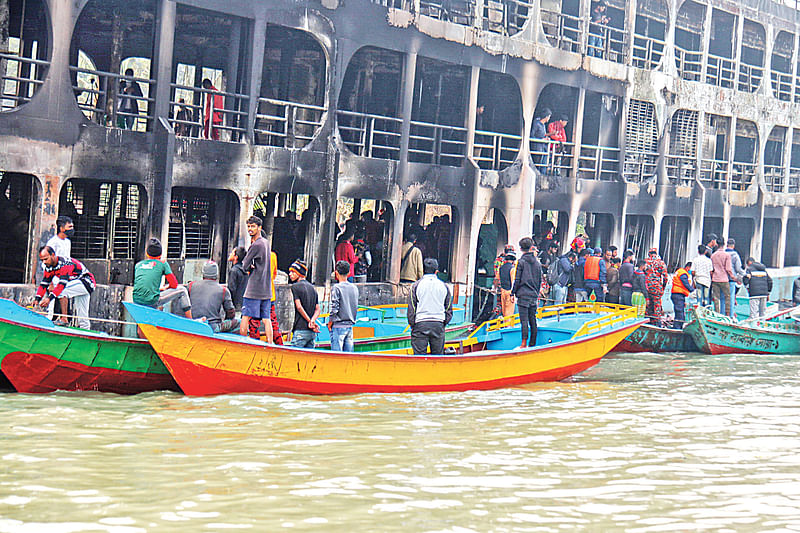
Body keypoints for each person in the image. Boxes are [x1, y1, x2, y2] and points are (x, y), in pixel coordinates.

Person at [36, 246, 95, 329]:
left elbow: (61, 285)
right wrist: (37, 299)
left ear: (53, 255)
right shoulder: (48, 267)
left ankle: (64, 319)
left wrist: (49, 299)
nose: (44, 262)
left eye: (46, 259)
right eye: (42, 260)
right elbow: (44, 284)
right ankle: (86, 332)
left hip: (86, 282)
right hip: (78, 284)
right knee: (83, 316)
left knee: (62, 291)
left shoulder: (65, 264)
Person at [133, 238, 192, 318]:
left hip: (136, 300)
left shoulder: (138, 265)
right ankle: (190, 320)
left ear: (147, 253)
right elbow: (174, 285)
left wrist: (160, 289)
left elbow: (144, 284)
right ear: (160, 254)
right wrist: (167, 287)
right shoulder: (163, 263)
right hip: (151, 301)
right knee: (182, 290)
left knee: (142, 320)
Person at [408, 258, 453, 355]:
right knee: (437, 358)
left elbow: (412, 308)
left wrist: (413, 325)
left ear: (423, 271)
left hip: (420, 323)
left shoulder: (415, 286)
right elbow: (448, 309)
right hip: (438, 324)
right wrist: (443, 323)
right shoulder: (444, 286)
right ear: (436, 272)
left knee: (419, 359)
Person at [239, 216, 273, 342]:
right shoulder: (266, 243)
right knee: (266, 318)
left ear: (259, 228)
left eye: (253, 226)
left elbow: (244, 265)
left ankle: (242, 342)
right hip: (266, 288)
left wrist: (250, 267)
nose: (250, 229)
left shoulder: (256, 245)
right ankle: (270, 343)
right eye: (248, 226)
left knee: (245, 316)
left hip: (254, 288)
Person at [188, 261, 239, 333]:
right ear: (216, 274)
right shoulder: (223, 290)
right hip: (213, 327)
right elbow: (231, 313)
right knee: (239, 322)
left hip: (193, 324)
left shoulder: (191, 285)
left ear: (203, 273)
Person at [511, 237, 542, 349]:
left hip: (523, 295)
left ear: (521, 248)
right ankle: (532, 343)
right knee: (532, 320)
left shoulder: (521, 262)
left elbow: (517, 279)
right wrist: (536, 293)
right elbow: (539, 281)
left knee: (524, 321)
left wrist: (512, 293)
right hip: (533, 294)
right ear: (531, 247)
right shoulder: (537, 263)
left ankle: (523, 344)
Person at [288, 260, 320, 348]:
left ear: (299, 273)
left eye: (293, 272)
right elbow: (318, 309)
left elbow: (299, 307)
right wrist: (313, 321)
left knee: (294, 358)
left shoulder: (295, 287)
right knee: (308, 359)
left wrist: (309, 321)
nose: (290, 274)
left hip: (300, 330)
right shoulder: (313, 288)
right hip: (311, 333)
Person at [329, 260, 359, 352]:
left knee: (337, 357)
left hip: (338, 326)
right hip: (350, 325)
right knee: (348, 357)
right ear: (349, 273)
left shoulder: (336, 288)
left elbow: (334, 308)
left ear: (336, 273)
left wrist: (330, 322)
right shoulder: (354, 288)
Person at [643, 248, 668, 325]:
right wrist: (662, 287)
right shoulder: (661, 263)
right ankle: (657, 323)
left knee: (648, 305)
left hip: (646, 287)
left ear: (648, 254)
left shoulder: (645, 262)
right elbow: (665, 278)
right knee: (657, 305)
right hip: (657, 288)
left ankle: (648, 322)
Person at [710, 243, 735, 316]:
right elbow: (728, 269)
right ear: (724, 245)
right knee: (727, 297)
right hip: (724, 279)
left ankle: (717, 314)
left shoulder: (713, 255)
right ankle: (727, 315)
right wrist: (732, 276)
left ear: (717, 245)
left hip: (715, 279)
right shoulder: (727, 255)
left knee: (716, 298)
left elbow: (712, 269)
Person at [725, 239, 746, 317]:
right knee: (730, 299)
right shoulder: (735, 255)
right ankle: (730, 316)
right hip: (731, 279)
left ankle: (722, 316)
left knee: (723, 299)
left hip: (722, 279)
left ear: (727, 245)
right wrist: (745, 274)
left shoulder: (722, 253)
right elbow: (738, 269)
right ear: (733, 245)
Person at [670, 261, 694, 330]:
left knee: (678, 312)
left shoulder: (680, 271)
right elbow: (685, 283)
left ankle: (677, 326)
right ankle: (678, 328)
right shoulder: (683, 273)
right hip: (678, 294)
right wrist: (692, 290)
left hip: (677, 293)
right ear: (688, 267)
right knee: (680, 312)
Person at [531, 109, 553, 173]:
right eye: (549, 117)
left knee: (544, 165)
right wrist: (541, 140)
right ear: (546, 117)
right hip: (537, 148)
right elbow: (532, 135)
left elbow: (542, 135)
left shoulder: (543, 125)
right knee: (537, 165)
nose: (549, 118)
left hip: (543, 148)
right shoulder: (537, 124)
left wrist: (546, 137)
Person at [227, 246, 248, 312]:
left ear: (236, 257)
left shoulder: (234, 271)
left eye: (232, 253)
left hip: (235, 305)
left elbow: (231, 289)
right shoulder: (244, 270)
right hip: (243, 303)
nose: (230, 254)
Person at [498, 252, 517, 317]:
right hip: (509, 291)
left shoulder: (501, 268)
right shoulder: (512, 268)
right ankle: (507, 326)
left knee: (504, 310)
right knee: (509, 312)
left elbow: (497, 279)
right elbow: (513, 282)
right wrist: (513, 294)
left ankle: (504, 325)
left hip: (502, 290)